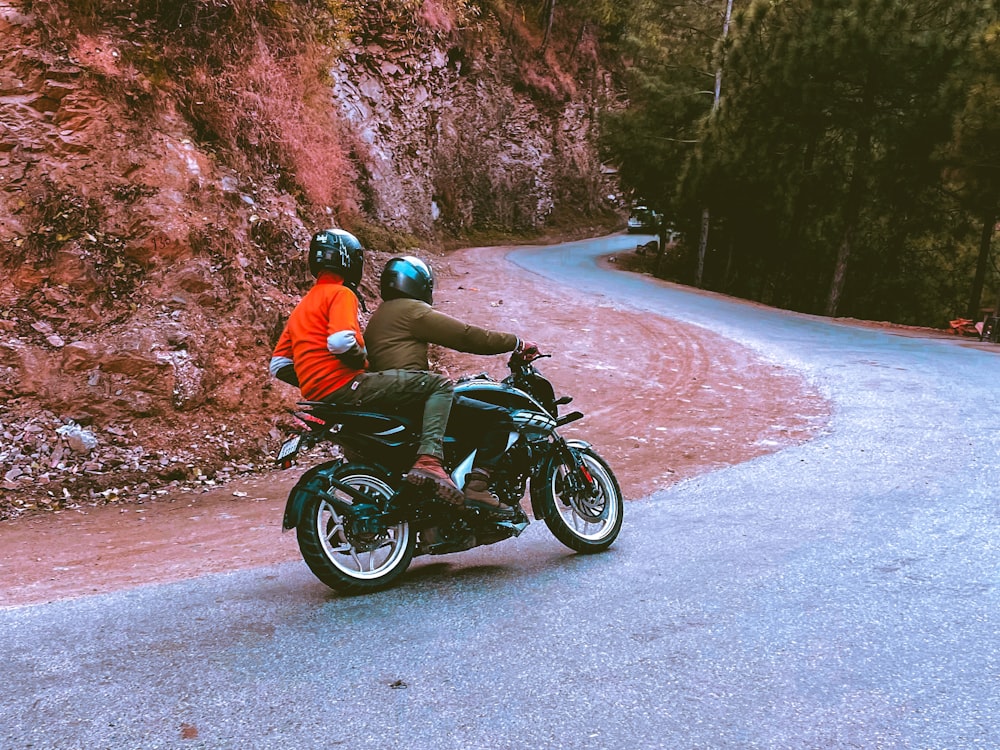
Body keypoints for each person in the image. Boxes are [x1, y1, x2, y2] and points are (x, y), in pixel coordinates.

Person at [269, 229, 464, 505]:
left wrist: (314, 377)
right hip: (348, 387)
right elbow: (340, 341)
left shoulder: (304, 304)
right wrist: (362, 362)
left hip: (317, 395)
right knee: (438, 384)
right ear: (350, 261)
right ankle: (429, 460)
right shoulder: (340, 294)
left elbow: (278, 365)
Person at [364, 255, 538, 518]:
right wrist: (515, 342)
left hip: (390, 396)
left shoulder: (381, 314)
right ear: (421, 285)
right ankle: (478, 487)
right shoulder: (412, 311)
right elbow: (465, 336)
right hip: (412, 395)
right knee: (499, 418)